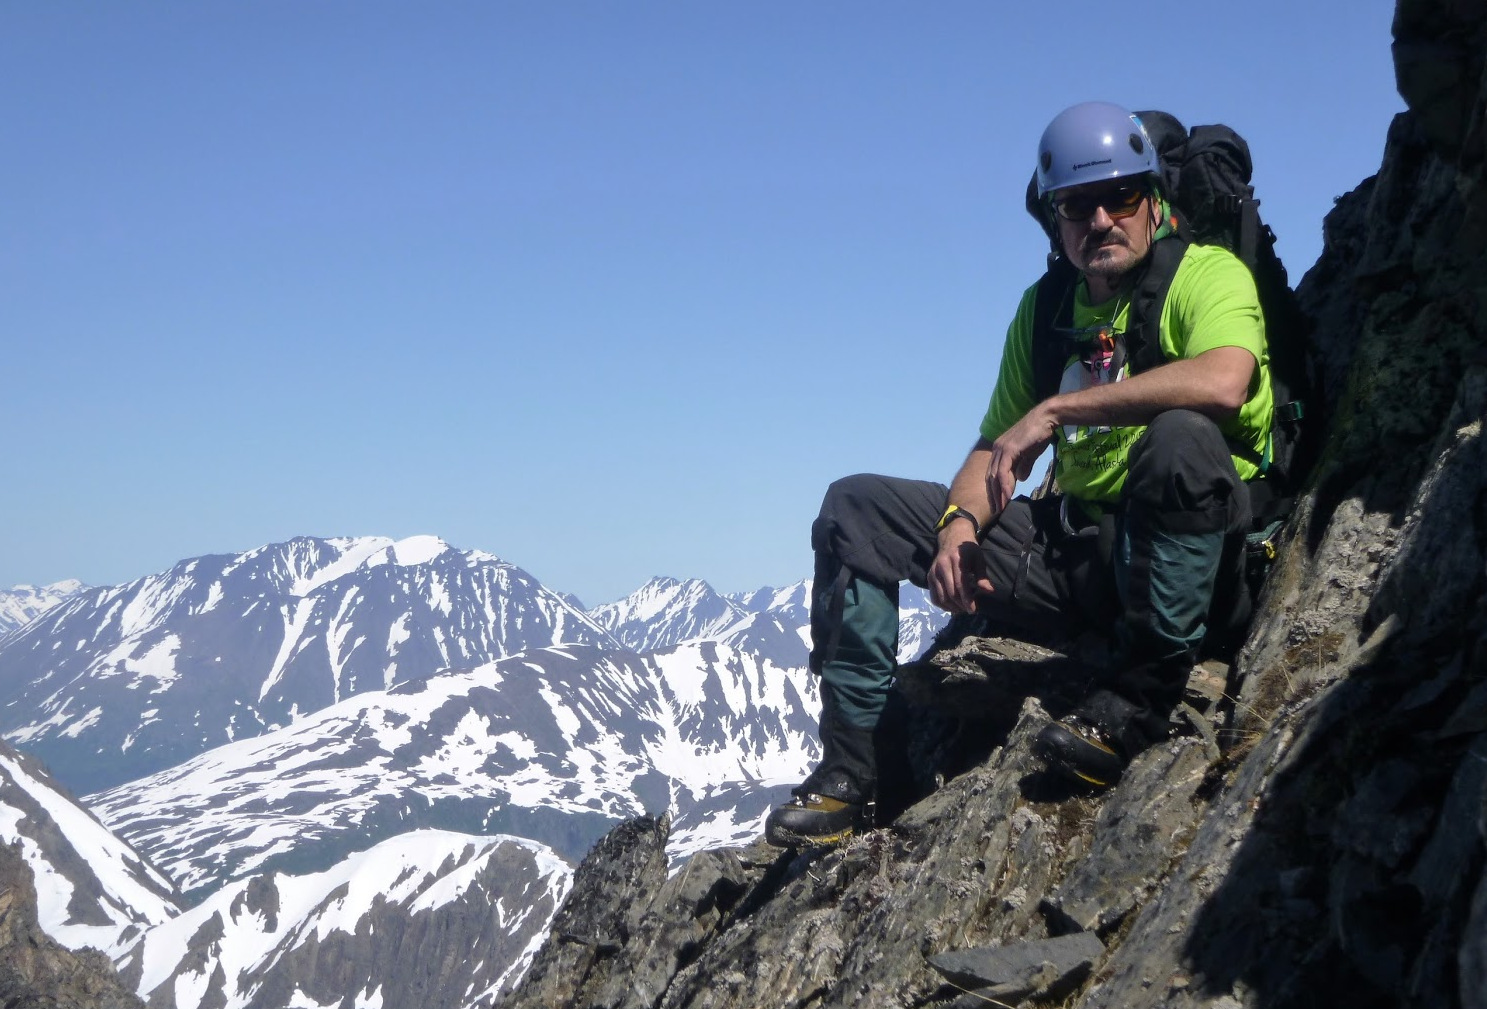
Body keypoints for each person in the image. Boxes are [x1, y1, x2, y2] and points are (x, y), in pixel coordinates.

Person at [765, 101, 1273, 848]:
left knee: (1180, 439)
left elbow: (1226, 379)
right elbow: (989, 450)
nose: (1098, 219)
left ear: (1153, 200)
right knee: (855, 509)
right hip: (1073, 559)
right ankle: (854, 772)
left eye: (1119, 197)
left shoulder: (1207, 276)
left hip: (1188, 560)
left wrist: (1061, 410)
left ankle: (1136, 704)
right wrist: (959, 525)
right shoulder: (1044, 313)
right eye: (1074, 205)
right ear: (1053, 220)